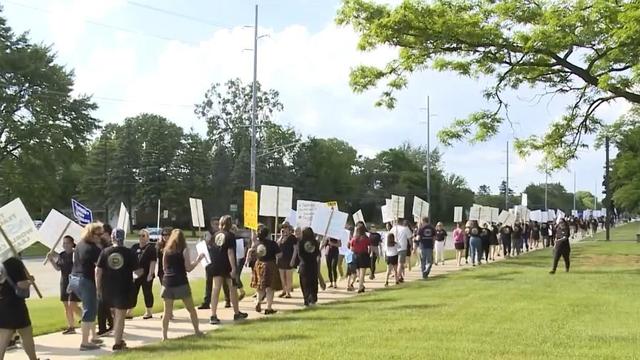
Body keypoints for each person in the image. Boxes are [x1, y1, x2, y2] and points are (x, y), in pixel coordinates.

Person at [96, 229, 140, 351]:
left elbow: (98, 271)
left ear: (112, 237)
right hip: (123, 288)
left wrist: (98, 287)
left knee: (115, 315)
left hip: (108, 288)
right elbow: (137, 271)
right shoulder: (129, 253)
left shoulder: (105, 252)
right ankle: (117, 343)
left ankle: (119, 339)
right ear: (123, 237)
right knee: (120, 316)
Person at [161, 229, 204, 340]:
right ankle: (197, 331)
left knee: (166, 312)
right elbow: (188, 268)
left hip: (167, 282)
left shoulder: (166, 250)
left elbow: (164, 267)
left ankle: (164, 337)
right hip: (181, 282)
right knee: (191, 309)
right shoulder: (184, 250)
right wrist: (198, 260)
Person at [68, 222, 104, 351]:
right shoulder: (93, 249)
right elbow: (99, 268)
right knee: (90, 310)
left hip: (74, 279)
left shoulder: (80, 245)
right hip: (86, 280)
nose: (101, 236)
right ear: (91, 234)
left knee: (89, 309)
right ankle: (85, 342)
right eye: (98, 234)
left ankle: (93, 336)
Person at [207, 215, 248, 325]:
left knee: (216, 289)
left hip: (216, 265)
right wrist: (234, 268)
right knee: (233, 288)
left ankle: (213, 315)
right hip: (227, 265)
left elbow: (210, 250)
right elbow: (230, 252)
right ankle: (236, 313)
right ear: (230, 225)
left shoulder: (214, 235)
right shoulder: (230, 236)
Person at [0, 257, 38, 360]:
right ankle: (33, 358)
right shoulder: (13, 262)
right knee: (26, 333)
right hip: (15, 304)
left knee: (3, 337)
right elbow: (22, 284)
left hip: (2, 302)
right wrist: (30, 281)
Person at [46, 235, 81, 335]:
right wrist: (51, 259)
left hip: (74, 281)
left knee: (73, 305)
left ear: (72, 243)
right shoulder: (62, 255)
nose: (65, 245)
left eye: (67, 243)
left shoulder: (75, 254)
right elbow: (58, 268)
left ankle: (86, 319)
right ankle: (71, 326)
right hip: (64, 281)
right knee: (66, 305)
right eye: (64, 243)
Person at [251, 226, 281, 314]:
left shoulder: (257, 244)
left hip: (258, 265)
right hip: (270, 265)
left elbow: (253, 251)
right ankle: (268, 308)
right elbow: (279, 255)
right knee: (270, 288)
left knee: (260, 287)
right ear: (268, 234)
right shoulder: (272, 243)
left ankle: (258, 302)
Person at [129, 229, 157, 320]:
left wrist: (150, 273)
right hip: (136, 274)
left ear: (148, 237)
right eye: (139, 235)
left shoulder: (151, 248)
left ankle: (149, 311)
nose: (141, 237)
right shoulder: (134, 247)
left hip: (146, 274)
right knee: (133, 292)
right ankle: (130, 311)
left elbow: (153, 262)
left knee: (147, 292)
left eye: (143, 235)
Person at [96, 224, 114, 336]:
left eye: (101, 233)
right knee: (104, 303)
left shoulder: (110, 247)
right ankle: (109, 324)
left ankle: (104, 326)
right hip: (103, 277)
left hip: (108, 278)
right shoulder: (101, 246)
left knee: (102, 303)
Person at [297, 227, 321, 306]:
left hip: (304, 265)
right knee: (313, 282)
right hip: (313, 265)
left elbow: (299, 254)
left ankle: (306, 298)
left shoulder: (301, 242)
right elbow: (317, 254)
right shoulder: (315, 242)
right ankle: (313, 298)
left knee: (304, 283)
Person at [199, 217, 219, 310]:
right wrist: (205, 241)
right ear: (211, 224)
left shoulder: (221, 234)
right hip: (209, 260)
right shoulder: (207, 234)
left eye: (217, 224)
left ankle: (228, 300)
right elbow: (201, 245)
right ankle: (207, 301)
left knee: (222, 282)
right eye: (214, 224)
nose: (216, 226)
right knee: (209, 281)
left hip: (219, 260)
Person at [349, 223, 371, 293]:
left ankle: (361, 286)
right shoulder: (365, 238)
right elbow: (369, 247)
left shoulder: (354, 238)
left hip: (355, 255)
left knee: (358, 272)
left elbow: (351, 249)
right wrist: (368, 253)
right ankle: (360, 286)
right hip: (363, 255)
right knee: (362, 272)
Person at [277, 223, 296, 298]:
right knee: (282, 276)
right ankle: (284, 290)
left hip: (289, 258)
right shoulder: (281, 238)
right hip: (281, 259)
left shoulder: (292, 238)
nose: (284, 229)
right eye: (283, 228)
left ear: (289, 229)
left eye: (286, 228)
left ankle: (288, 292)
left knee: (288, 276)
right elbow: (277, 245)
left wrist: (293, 259)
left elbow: (295, 249)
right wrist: (281, 236)